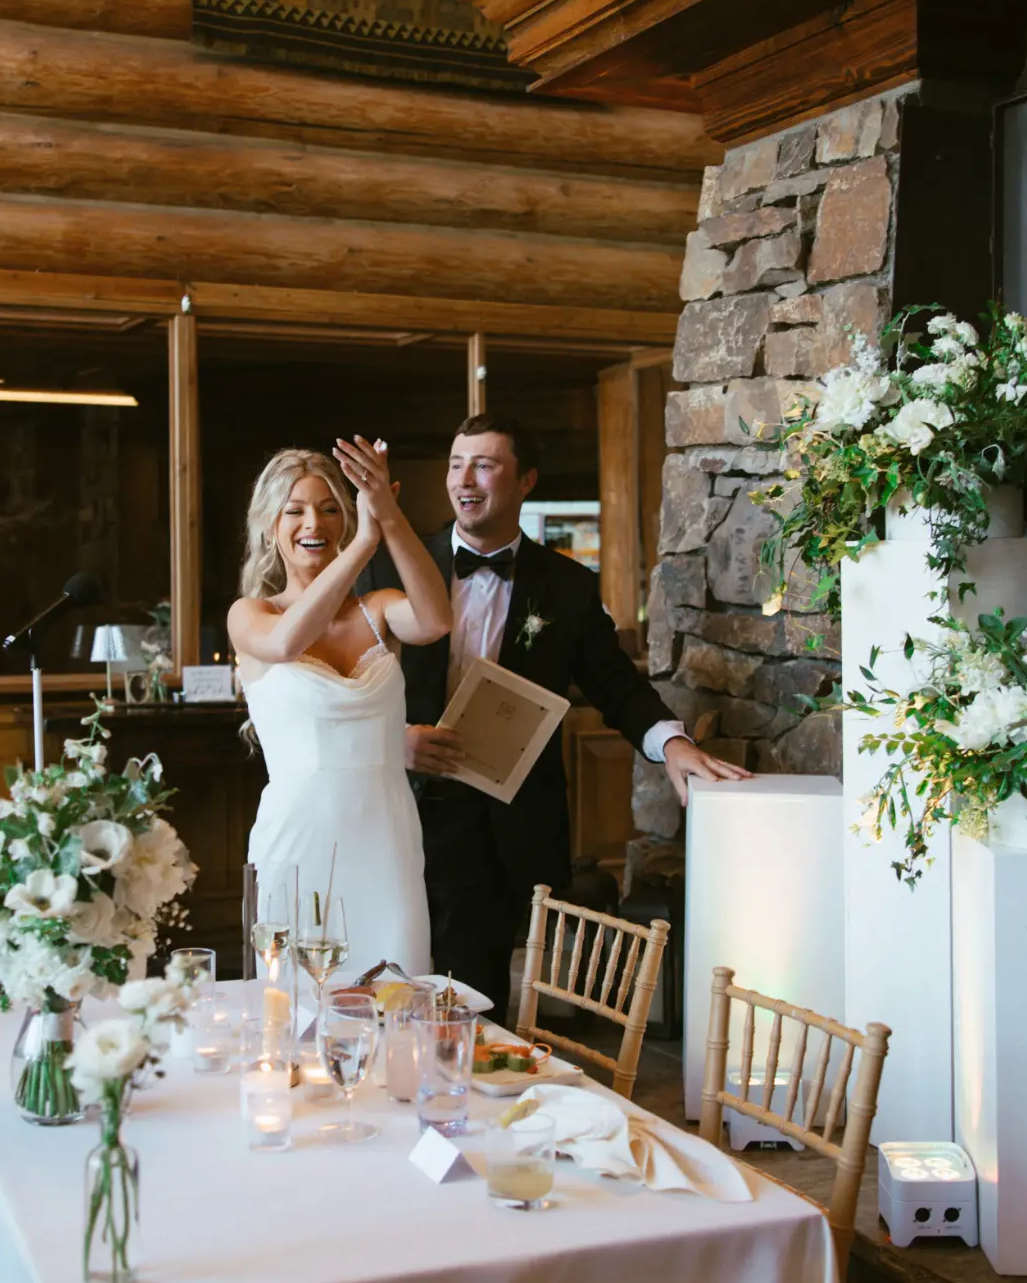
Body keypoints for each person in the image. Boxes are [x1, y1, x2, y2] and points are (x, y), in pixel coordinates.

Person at [381, 412, 750, 1004]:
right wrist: (391, 741)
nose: (464, 479)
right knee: (382, 976)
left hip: (496, 825)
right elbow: (339, 679)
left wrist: (672, 743)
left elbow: (614, 684)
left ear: (526, 481)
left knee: (473, 998)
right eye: (456, 464)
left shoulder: (568, 588)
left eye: (484, 464)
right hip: (394, 807)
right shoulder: (390, 565)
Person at [228, 440, 451, 983]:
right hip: (298, 841)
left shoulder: (377, 611)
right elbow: (285, 643)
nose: (315, 523)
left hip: (387, 842)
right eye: (297, 509)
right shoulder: (250, 615)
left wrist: (390, 519)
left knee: (398, 998)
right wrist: (364, 545)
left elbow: (436, 619)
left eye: (331, 509)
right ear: (269, 525)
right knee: (297, 1012)